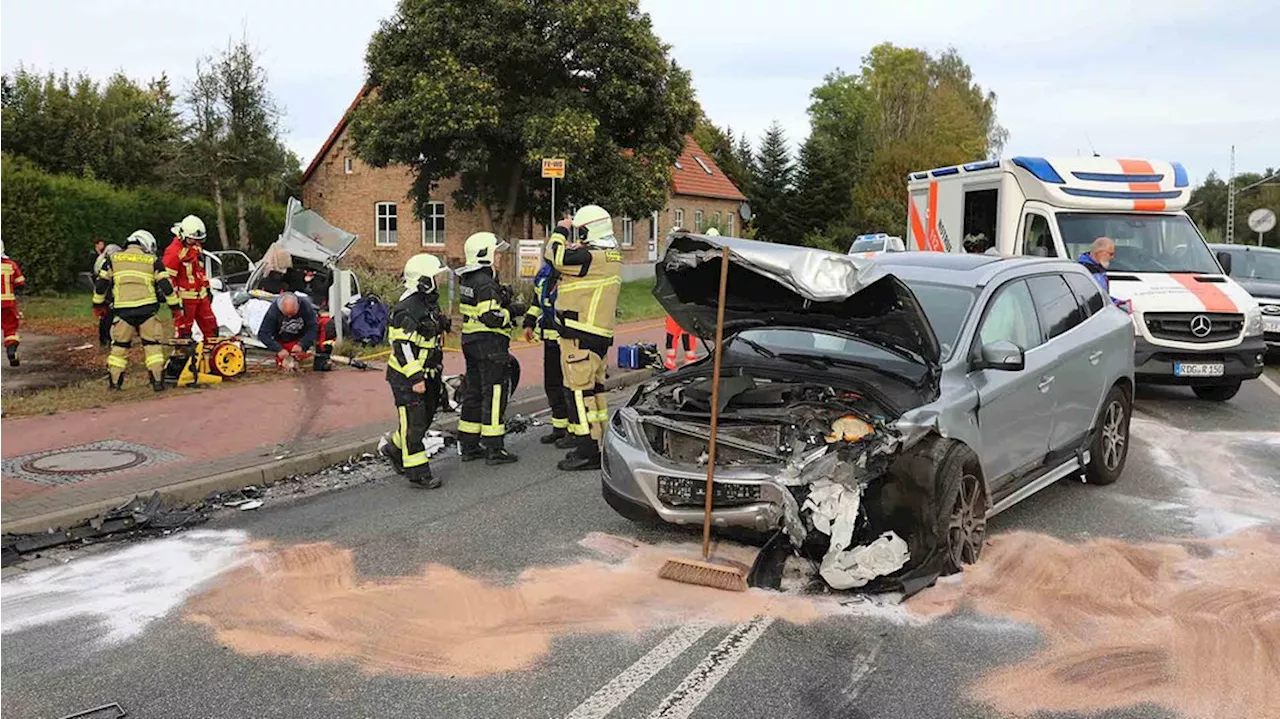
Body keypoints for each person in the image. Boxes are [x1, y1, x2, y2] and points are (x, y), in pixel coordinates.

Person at [550, 205, 623, 471]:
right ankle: (599, 442)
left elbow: (554, 257)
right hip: (597, 333)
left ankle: (586, 449)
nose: (578, 237)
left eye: (581, 232)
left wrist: (560, 229)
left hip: (579, 333)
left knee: (579, 393)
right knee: (595, 391)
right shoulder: (610, 255)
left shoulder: (589, 257)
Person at [379, 254, 451, 488]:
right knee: (414, 423)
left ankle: (394, 449)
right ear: (423, 280)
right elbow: (402, 346)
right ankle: (418, 473)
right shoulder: (406, 310)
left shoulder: (427, 302)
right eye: (434, 277)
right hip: (407, 378)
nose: (438, 281)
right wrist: (415, 377)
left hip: (428, 373)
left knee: (424, 418)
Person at [457, 231, 522, 465]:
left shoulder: (469, 279)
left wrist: (502, 296)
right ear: (484, 255)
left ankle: (469, 444)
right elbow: (490, 316)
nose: (500, 258)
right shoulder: (485, 283)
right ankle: (495, 448)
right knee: (495, 394)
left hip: (471, 343)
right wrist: (513, 311)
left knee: (473, 393)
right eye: (497, 253)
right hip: (490, 344)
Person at [93, 230, 181, 391]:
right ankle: (157, 383)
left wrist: (98, 305)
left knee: (119, 347)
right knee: (152, 346)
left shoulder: (113, 259)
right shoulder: (153, 260)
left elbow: (101, 284)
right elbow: (166, 287)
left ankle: (114, 384)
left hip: (123, 312)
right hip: (147, 311)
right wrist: (175, 307)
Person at [523, 239, 572, 447]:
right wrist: (529, 322)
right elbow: (537, 302)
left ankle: (574, 429)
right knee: (551, 384)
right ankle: (559, 427)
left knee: (569, 385)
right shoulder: (543, 275)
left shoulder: (570, 273)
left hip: (568, 339)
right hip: (549, 338)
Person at [163, 215, 218, 342]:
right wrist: (175, 301)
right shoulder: (173, 252)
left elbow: (200, 270)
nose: (194, 242)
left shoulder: (195, 246)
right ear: (182, 235)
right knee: (184, 334)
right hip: (185, 300)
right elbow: (168, 279)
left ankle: (210, 358)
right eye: (191, 240)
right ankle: (184, 359)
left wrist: (207, 287)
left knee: (212, 329)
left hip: (201, 296)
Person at [256, 292, 331, 371]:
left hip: (301, 340)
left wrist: (302, 344)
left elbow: (313, 327)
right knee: (287, 368)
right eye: (287, 314)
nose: (289, 317)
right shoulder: (274, 311)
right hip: (282, 342)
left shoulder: (305, 306)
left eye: (292, 314)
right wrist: (278, 349)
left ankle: (322, 362)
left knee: (326, 324)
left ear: (298, 307)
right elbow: (263, 334)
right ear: (281, 309)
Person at [1078, 237, 1126, 307]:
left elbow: (1103, 295)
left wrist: (1119, 302)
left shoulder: (1098, 268)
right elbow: (1096, 299)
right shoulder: (1085, 271)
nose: (1112, 257)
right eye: (1111, 254)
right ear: (1100, 252)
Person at [0, 241, 26, 367]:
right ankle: (11, 352)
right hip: (7, 304)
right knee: (10, 329)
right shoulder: (11, 265)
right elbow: (20, 282)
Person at [92, 243, 122, 347]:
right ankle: (106, 339)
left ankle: (105, 339)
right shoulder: (106, 263)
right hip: (106, 292)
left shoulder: (102, 260)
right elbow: (102, 281)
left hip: (104, 292)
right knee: (107, 316)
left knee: (105, 317)